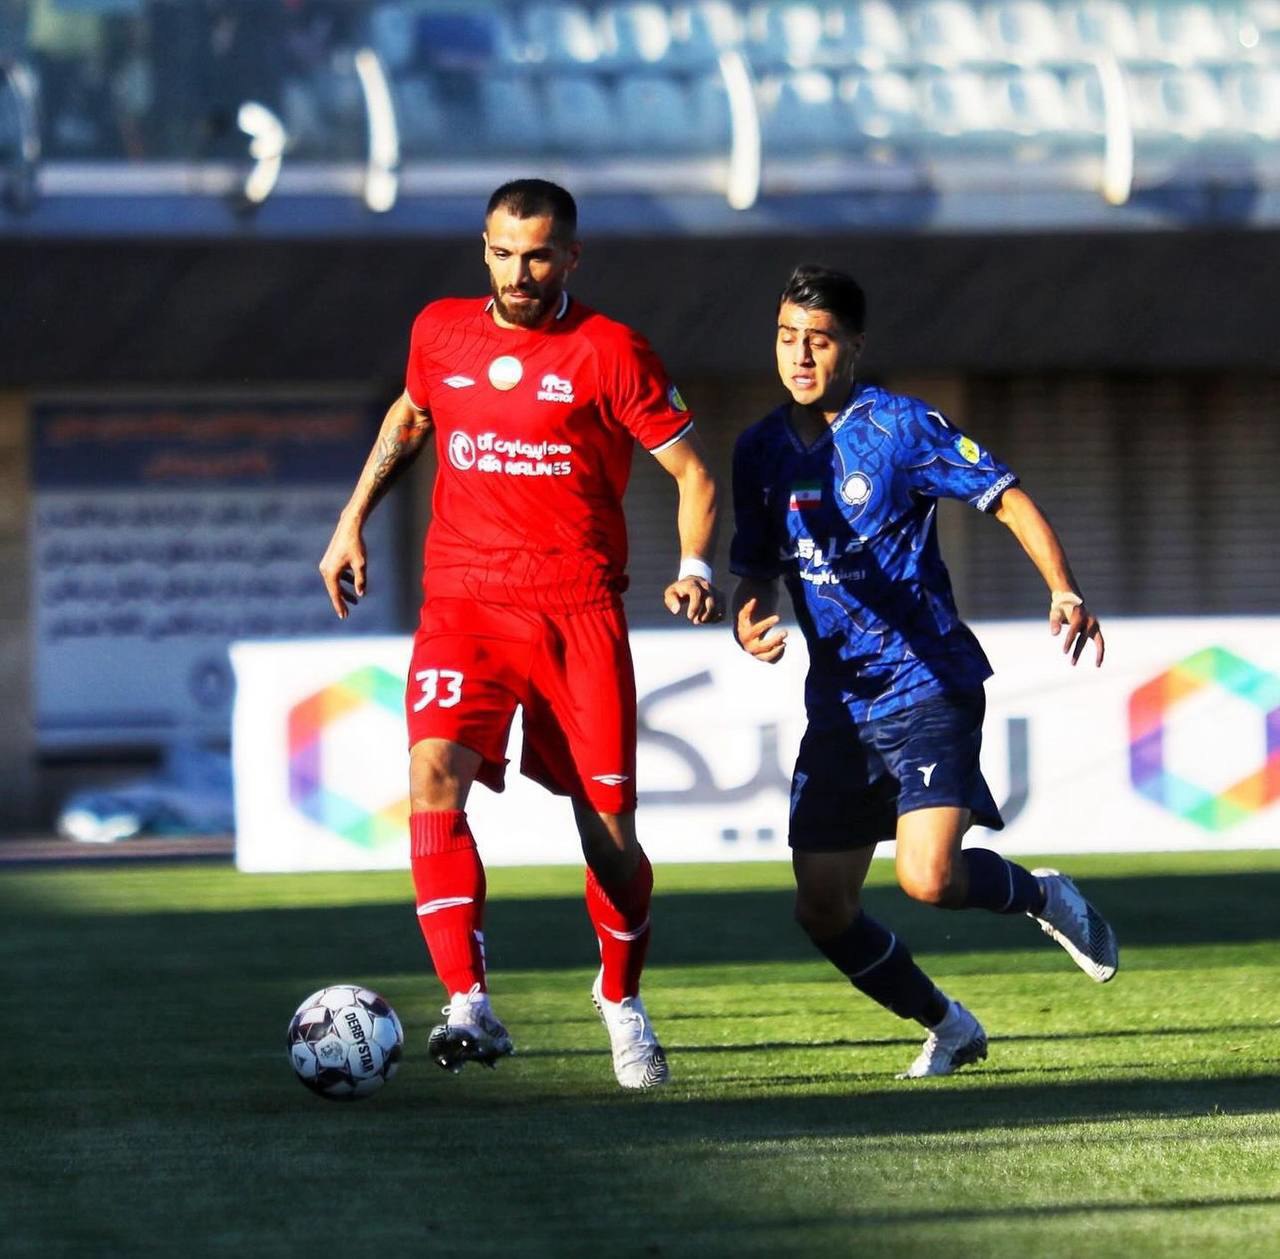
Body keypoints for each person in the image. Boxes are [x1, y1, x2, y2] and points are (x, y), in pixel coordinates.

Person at [319, 179, 722, 1090]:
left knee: (610, 839)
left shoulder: (611, 351)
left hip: (577, 610)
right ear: (484, 248)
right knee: (432, 774)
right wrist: (351, 519)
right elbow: (412, 415)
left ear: (571, 257)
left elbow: (694, 473)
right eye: (503, 253)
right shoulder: (439, 331)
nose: (519, 273)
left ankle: (621, 998)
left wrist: (695, 566)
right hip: (464, 602)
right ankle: (468, 1001)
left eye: (538, 256)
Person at [730, 264, 1117, 1079]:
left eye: (819, 340)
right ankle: (949, 1025)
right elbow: (757, 569)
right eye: (787, 337)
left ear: (854, 346)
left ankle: (1041, 895)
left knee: (929, 877)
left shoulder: (901, 428)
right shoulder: (759, 450)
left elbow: (1005, 495)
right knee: (822, 908)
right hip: (841, 705)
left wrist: (1064, 588)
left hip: (927, 681)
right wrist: (747, 617)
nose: (800, 355)